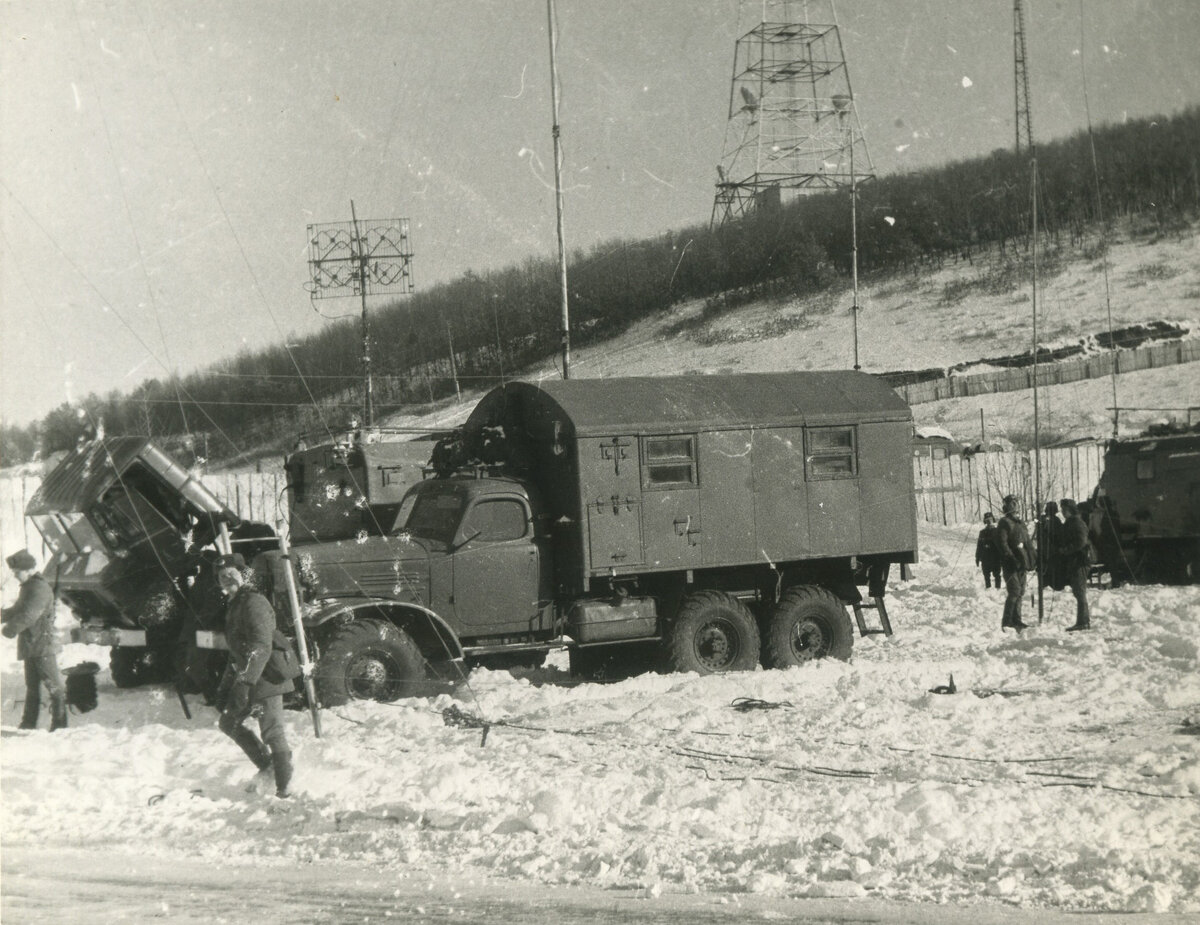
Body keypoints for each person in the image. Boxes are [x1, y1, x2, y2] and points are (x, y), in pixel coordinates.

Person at [213, 553, 294, 798]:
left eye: (231, 574)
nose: (227, 580)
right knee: (229, 722)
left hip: (266, 676)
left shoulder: (253, 602)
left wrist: (245, 682)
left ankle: (285, 787)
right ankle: (269, 768)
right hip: (250, 675)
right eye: (222, 577)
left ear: (243, 574)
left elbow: (261, 646)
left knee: (272, 731)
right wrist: (225, 687)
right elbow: (236, 652)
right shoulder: (236, 604)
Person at [1, 549, 67, 731]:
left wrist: (10, 629)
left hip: (42, 644)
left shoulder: (38, 588)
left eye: (17, 572)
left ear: (29, 570)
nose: (15, 576)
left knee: (54, 686)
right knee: (32, 686)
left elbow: (30, 615)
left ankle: (60, 725)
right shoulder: (29, 586)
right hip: (32, 643)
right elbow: (18, 609)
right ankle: (28, 723)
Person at [995, 495, 1034, 632]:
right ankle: (1007, 622)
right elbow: (1002, 543)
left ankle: (1017, 620)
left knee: (1021, 591)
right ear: (1006, 506)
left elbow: (1028, 542)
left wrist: (1032, 559)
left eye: (1016, 503)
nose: (1015, 505)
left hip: (1022, 562)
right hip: (1011, 563)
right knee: (1014, 591)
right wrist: (1011, 557)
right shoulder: (1004, 523)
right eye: (1012, 503)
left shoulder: (1020, 522)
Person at [1058, 498, 1092, 632]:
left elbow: (1081, 542)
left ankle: (1083, 622)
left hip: (1080, 561)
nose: (1062, 512)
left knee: (1080, 591)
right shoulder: (1071, 522)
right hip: (1075, 561)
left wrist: (1066, 550)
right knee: (1079, 592)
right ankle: (1083, 621)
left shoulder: (1077, 522)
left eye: (1064, 510)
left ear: (1071, 510)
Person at [1035, 501, 1065, 592]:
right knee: (1052, 572)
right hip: (1053, 552)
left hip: (1043, 551)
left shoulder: (1041, 519)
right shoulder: (1056, 520)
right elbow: (1060, 536)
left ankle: (1045, 586)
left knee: (1044, 572)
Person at [975, 512, 1002, 589]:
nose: (989, 522)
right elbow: (979, 546)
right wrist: (977, 557)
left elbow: (1001, 545)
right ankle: (988, 589)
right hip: (985, 557)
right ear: (985, 521)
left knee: (997, 575)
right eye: (987, 520)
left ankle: (998, 589)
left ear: (993, 520)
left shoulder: (997, 531)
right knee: (986, 575)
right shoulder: (982, 532)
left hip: (995, 557)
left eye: (990, 520)